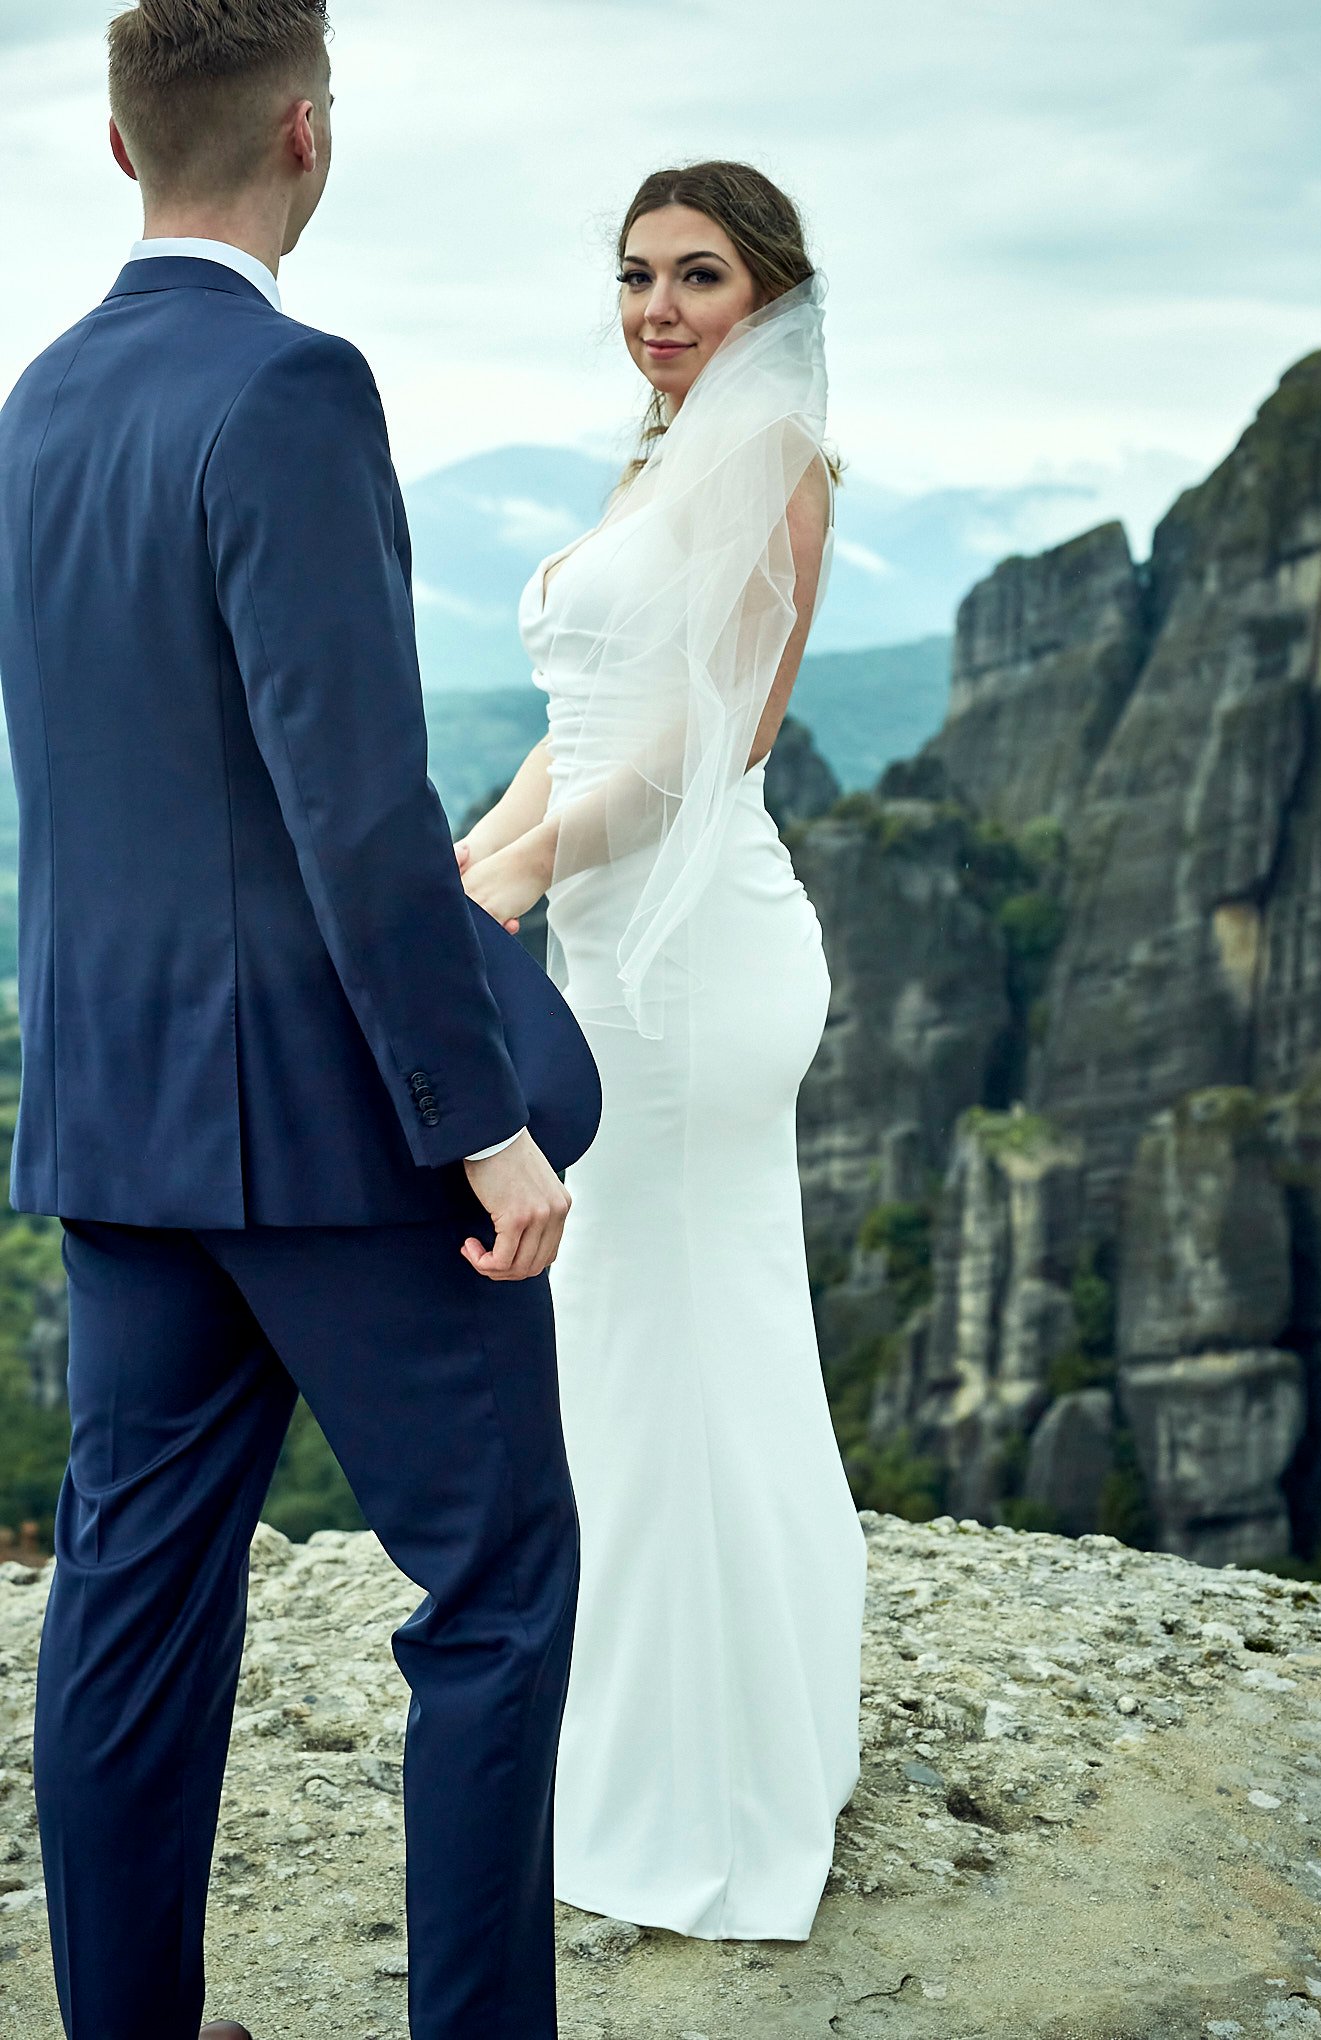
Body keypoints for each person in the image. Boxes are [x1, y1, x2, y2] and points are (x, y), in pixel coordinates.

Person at [0, 3, 597, 2035]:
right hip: (331, 1133)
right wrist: (482, 1123)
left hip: (115, 1116)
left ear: (112, 142)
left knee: (132, 1607)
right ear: (306, 134)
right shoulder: (294, 387)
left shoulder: (37, 403)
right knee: (499, 1589)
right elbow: (354, 803)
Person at [458, 161, 867, 1941]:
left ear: (770, 293)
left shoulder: (777, 466)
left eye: (700, 277)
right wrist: (471, 858)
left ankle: (710, 1788)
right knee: (629, 1345)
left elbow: (711, 736)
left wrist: (533, 869)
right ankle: (635, 1733)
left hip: (696, 966)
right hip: (614, 946)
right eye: (636, 275)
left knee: (677, 1343)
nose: (658, 307)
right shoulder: (662, 458)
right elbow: (580, 717)